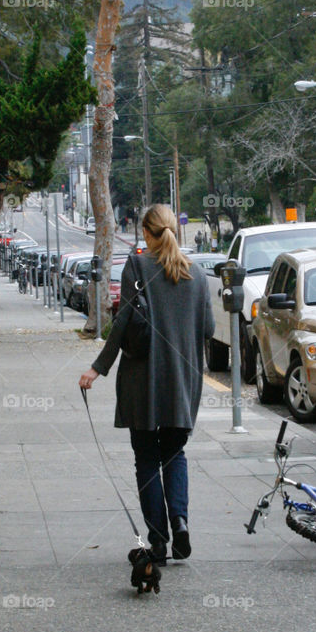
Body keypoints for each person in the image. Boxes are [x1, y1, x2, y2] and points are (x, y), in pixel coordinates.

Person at [79, 204, 215, 583]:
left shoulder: (137, 267)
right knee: (175, 454)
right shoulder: (199, 274)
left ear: (147, 233)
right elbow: (207, 327)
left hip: (143, 382)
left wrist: (97, 368)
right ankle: (181, 522)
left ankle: (158, 539)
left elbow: (122, 323)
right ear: (174, 230)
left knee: (146, 460)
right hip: (183, 384)